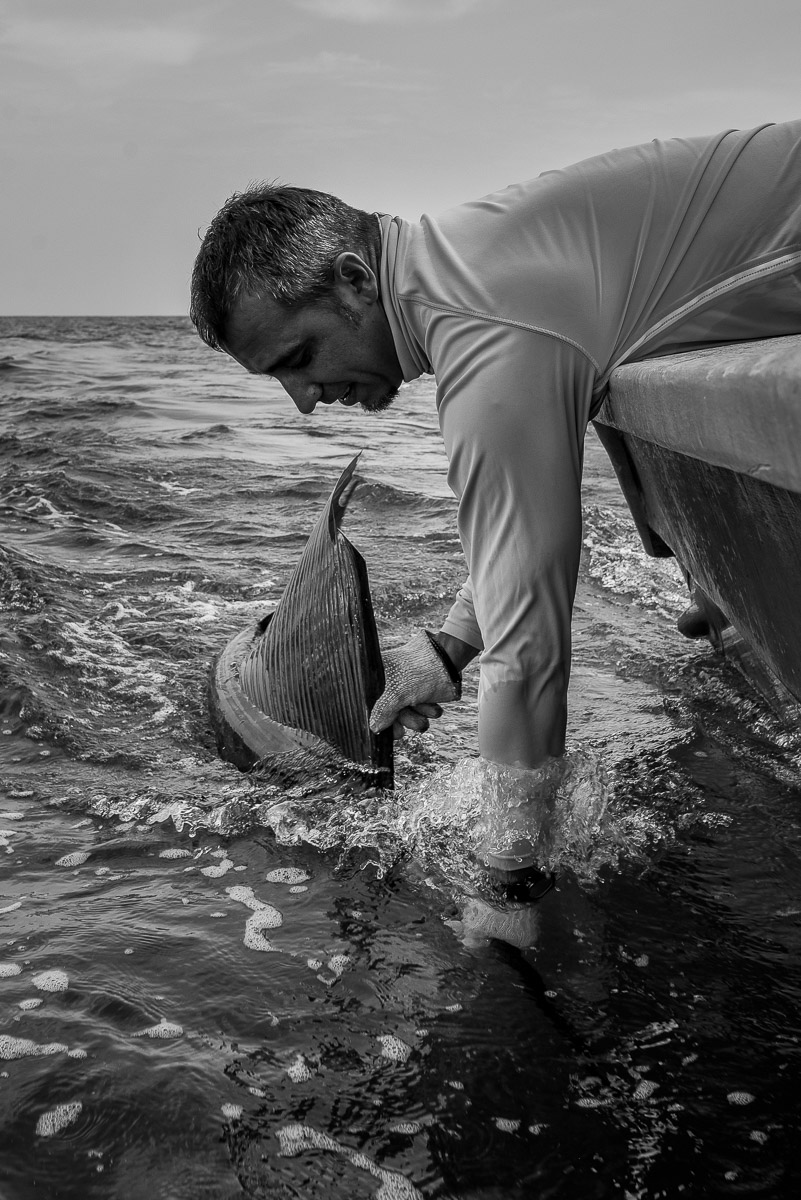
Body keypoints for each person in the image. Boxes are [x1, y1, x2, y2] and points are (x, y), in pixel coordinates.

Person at [190, 119, 801, 884]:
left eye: (300, 357)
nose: (304, 401)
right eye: (278, 377)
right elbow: (521, 541)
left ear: (354, 280)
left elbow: (528, 649)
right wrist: (444, 651)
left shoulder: (484, 331)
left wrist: (507, 881)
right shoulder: (469, 269)